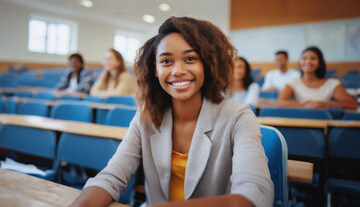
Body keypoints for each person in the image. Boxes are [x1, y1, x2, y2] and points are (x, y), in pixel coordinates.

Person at [70, 17, 273, 207]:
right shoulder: (145, 116)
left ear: (207, 64)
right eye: (166, 61)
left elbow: (254, 194)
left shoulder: (238, 116)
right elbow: (111, 177)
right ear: (156, 69)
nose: (177, 70)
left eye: (190, 58)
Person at [279, 46, 357, 110]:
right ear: (300, 62)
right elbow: (281, 102)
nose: (308, 62)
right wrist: (303, 105)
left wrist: (324, 104)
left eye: (313, 58)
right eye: (304, 58)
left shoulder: (332, 84)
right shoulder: (293, 82)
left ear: (319, 63)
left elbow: (353, 105)